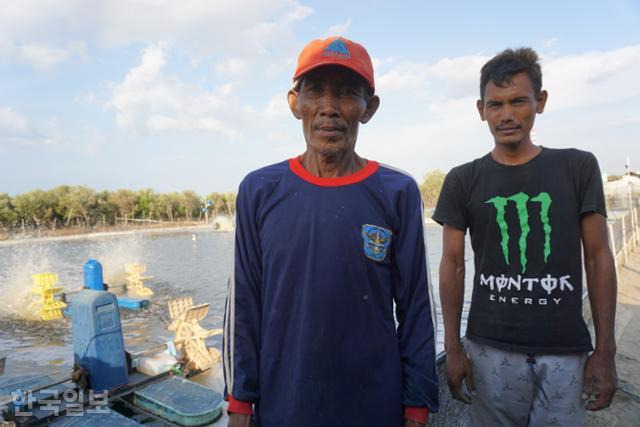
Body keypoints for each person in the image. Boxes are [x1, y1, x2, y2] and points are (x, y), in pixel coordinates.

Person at [223, 36, 439, 427]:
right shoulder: (259, 190)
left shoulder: (397, 193)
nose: (328, 109)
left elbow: (417, 309)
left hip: (375, 406)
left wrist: (417, 406)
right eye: (315, 92)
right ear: (295, 103)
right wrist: (240, 402)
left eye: (346, 94)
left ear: (368, 108)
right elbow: (244, 306)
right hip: (284, 405)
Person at [433, 47, 618, 426]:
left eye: (518, 101)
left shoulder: (577, 167)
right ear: (480, 108)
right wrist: (453, 347)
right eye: (495, 104)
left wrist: (605, 350)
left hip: (565, 352)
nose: (506, 114)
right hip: (488, 350)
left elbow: (598, 258)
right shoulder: (462, 180)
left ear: (541, 101)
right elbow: (451, 265)